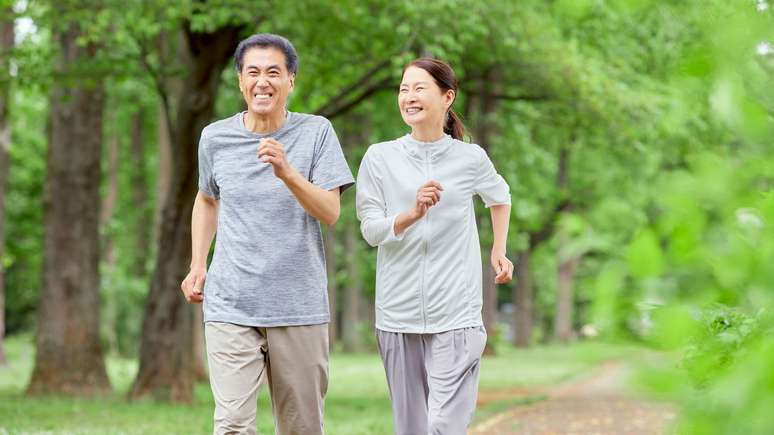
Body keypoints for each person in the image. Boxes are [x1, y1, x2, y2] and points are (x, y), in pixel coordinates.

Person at [180, 33, 354, 435]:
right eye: (253, 72)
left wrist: (287, 173)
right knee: (232, 425)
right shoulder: (215, 137)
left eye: (273, 73)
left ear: (291, 80)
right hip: (231, 302)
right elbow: (207, 199)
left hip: (298, 304)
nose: (263, 82)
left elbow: (330, 211)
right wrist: (197, 264)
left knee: (301, 427)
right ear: (240, 81)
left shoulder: (316, 132)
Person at [355, 58, 514, 435]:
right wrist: (412, 214)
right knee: (411, 428)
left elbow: (500, 196)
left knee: (443, 424)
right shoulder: (380, 157)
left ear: (447, 97)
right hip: (398, 313)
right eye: (403, 89)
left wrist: (499, 249)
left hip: (457, 311)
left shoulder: (470, 158)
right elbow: (371, 230)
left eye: (419, 88)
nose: (409, 96)